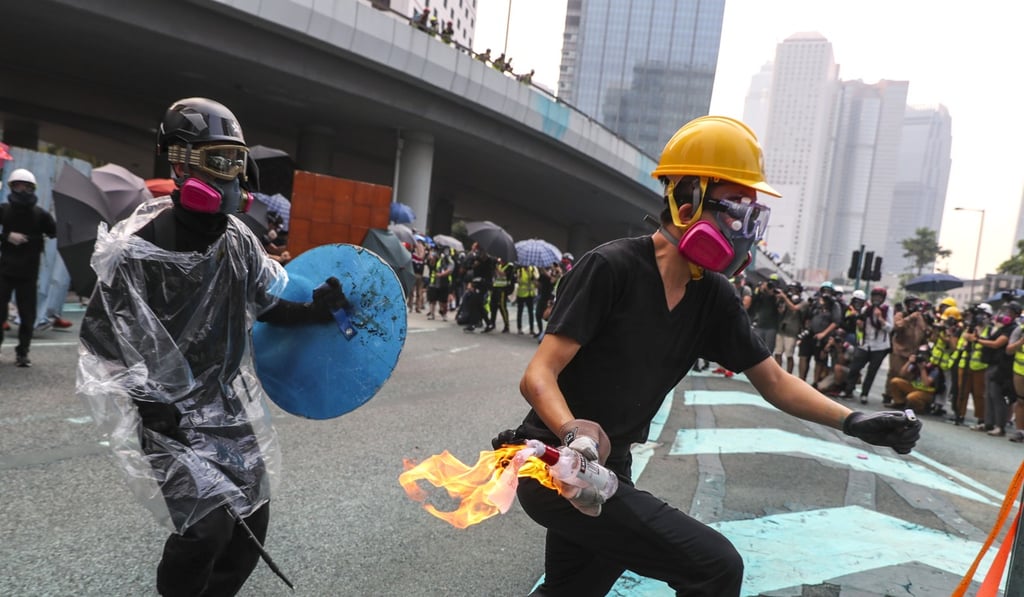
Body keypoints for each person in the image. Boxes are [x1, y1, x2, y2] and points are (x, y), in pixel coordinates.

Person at [498, 115, 920, 597]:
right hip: (555, 465)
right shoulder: (610, 268)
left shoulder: (713, 297)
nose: (743, 229)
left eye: (751, 217)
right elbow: (538, 376)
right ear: (685, 199)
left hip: (608, 471)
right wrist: (575, 435)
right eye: (733, 210)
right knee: (715, 566)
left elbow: (775, 382)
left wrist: (854, 420)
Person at [76, 98, 347, 597]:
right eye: (220, 162)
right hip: (169, 418)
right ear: (180, 163)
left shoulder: (239, 242)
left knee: (251, 518)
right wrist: (149, 401)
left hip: (225, 407)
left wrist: (315, 310)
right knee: (206, 530)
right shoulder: (139, 245)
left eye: (237, 164)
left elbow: (265, 305)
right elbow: (100, 335)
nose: (232, 179)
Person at [0, 168, 58, 367]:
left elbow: (54, 232)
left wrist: (48, 225)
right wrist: (7, 236)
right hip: (5, 270)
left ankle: (22, 352)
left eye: (26, 186)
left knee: (28, 314)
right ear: (12, 187)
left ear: (32, 188)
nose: (22, 190)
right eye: (17, 185)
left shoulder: (40, 214)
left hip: (28, 272)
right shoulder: (4, 210)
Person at [838, 286, 893, 403]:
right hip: (865, 344)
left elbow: (890, 328)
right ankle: (848, 390)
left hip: (879, 347)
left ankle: (864, 394)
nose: (877, 299)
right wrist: (859, 324)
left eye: (879, 297)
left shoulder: (887, 310)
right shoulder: (865, 310)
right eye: (875, 297)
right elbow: (861, 326)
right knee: (855, 367)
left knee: (872, 371)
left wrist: (880, 318)